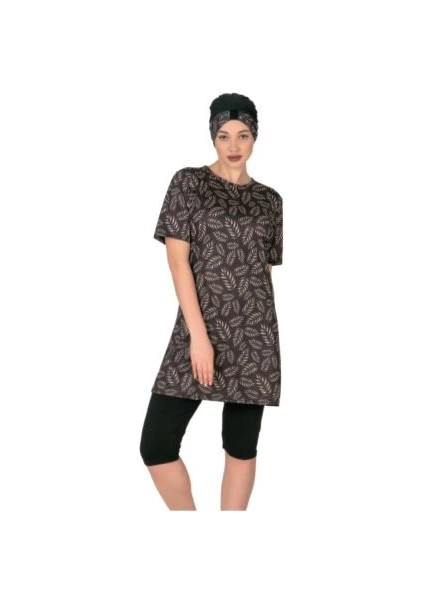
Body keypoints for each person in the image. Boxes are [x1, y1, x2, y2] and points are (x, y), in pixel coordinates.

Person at [139, 92, 283, 510]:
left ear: (255, 137)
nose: (233, 145)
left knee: (241, 445)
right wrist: (199, 338)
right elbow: (178, 263)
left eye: (243, 135)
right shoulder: (189, 183)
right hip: (199, 329)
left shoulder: (271, 201)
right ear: (212, 137)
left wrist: (259, 344)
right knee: (156, 444)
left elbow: (262, 273)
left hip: (254, 336)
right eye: (224, 136)